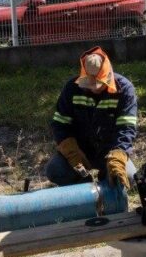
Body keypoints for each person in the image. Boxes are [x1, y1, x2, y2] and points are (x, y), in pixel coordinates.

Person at [46, 47, 137, 190]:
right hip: (81, 152)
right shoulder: (71, 89)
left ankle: (107, 184)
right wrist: (71, 151)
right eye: (90, 83)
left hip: (110, 152)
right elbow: (60, 124)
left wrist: (118, 155)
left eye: (98, 84)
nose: (94, 88)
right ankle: (84, 188)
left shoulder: (124, 90)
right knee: (55, 170)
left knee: (129, 177)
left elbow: (126, 129)